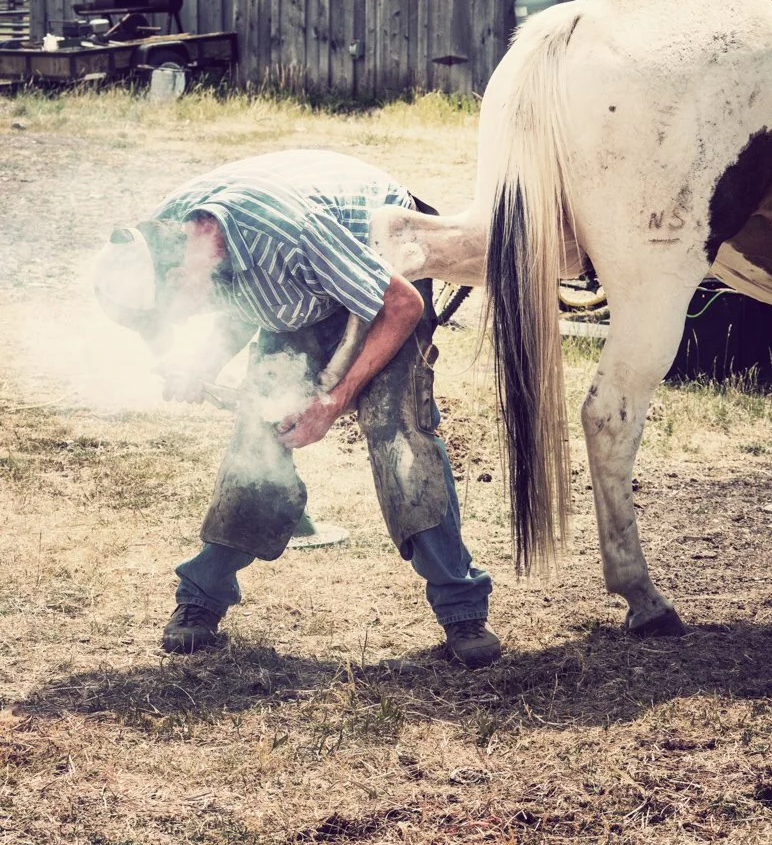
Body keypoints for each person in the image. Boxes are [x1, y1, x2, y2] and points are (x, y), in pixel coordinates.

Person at [93, 148, 501, 669]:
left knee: (398, 435)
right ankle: (202, 597)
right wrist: (203, 364)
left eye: (172, 314)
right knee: (256, 443)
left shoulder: (285, 234)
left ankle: (462, 609)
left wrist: (334, 400)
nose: (180, 321)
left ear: (178, 278)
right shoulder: (174, 236)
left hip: (384, 275)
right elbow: (243, 299)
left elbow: (401, 305)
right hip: (307, 290)